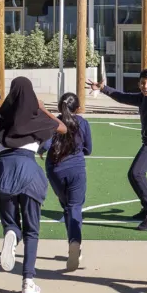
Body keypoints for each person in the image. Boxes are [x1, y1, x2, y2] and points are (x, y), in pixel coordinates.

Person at [0, 77, 63, 293]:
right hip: (29, 171)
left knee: (11, 223)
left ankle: (11, 233)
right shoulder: (36, 118)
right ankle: (28, 282)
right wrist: (43, 109)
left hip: (4, 170)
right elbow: (63, 128)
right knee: (32, 231)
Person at [97, 69, 147, 230]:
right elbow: (122, 97)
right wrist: (103, 88)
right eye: (143, 83)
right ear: (139, 84)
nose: (145, 86)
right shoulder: (141, 98)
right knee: (133, 174)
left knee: (136, 173)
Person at [46, 91, 93, 273]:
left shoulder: (53, 122)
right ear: (78, 108)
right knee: (74, 207)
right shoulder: (82, 123)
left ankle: (72, 243)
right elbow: (88, 148)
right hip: (76, 168)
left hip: (55, 170)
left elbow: (44, 145)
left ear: (59, 107)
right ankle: (74, 241)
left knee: (67, 206)